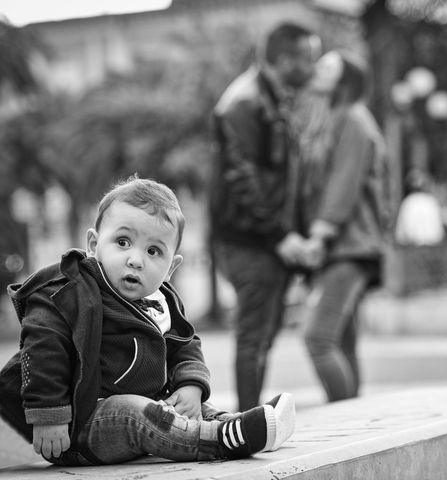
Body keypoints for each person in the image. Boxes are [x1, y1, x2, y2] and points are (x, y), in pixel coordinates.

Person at [0, 176, 295, 466]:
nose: (136, 259)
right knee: (135, 411)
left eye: (153, 251)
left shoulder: (162, 300)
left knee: (190, 408)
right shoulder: (70, 291)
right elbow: (42, 348)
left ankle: (238, 426)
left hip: (151, 411)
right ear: (93, 244)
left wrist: (191, 386)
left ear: (170, 268)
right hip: (79, 427)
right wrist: (48, 415)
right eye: (123, 242)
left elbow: (186, 344)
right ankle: (219, 440)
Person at [209, 22, 321, 410]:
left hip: (266, 240)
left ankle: (248, 419)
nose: (314, 67)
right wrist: (279, 235)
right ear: (286, 59)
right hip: (249, 241)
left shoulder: (270, 99)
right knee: (254, 335)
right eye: (309, 58)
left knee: (264, 334)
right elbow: (243, 179)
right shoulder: (245, 102)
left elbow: (280, 182)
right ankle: (244, 426)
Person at [300, 51, 390, 402]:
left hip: (349, 245)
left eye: (327, 67)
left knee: (318, 339)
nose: (316, 68)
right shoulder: (332, 116)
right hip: (343, 245)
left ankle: (341, 414)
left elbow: (344, 182)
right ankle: (354, 418)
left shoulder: (353, 119)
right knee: (342, 340)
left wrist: (320, 233)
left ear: (345, 80)